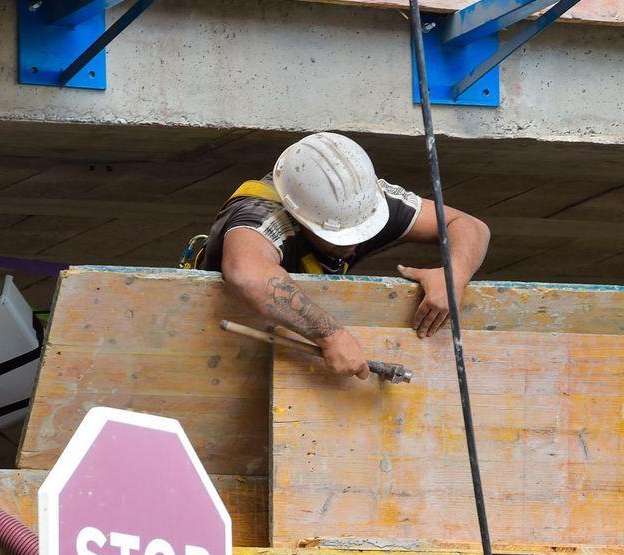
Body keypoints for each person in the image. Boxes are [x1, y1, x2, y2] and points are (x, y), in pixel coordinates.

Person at [187, 132, 490, 380]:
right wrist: (331, 335)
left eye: (362, 232)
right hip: (210, 358)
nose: (353, 246)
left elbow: (470, 226)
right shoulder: (261, 215)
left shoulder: (366, 201)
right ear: (301, 216)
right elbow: (247, 275)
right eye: (339, 237)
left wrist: (454, 275)